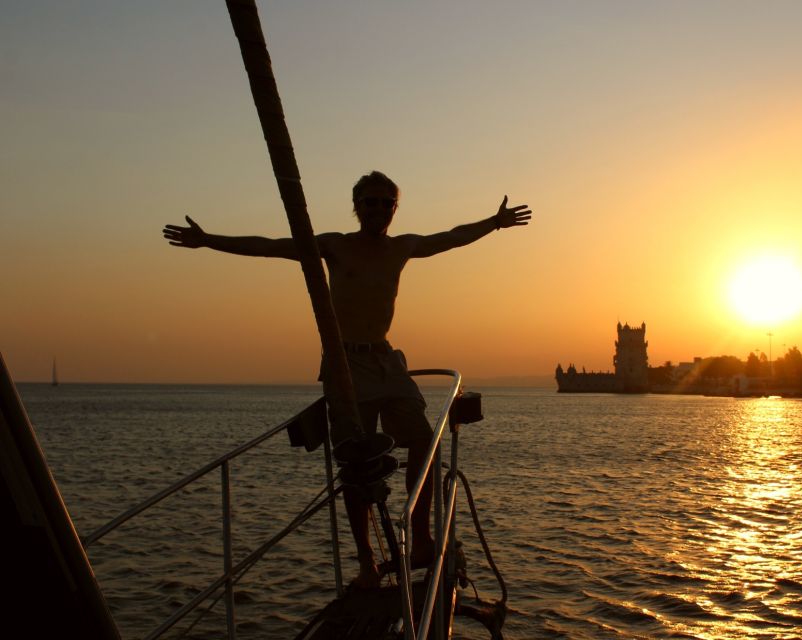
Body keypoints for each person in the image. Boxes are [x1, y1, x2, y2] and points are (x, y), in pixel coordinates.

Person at [162, 171, 532, 587]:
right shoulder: (335, 246)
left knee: (426, 445)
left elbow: (451, 236)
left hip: (386, 360)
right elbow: (269, 247)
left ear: (395, 207)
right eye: (369, 202)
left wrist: (494, 223)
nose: (377, 209)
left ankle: (423, 537)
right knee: (358, 463)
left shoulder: (401, 247)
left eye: (385, 202)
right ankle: (366, 561)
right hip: (345, 366)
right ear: (356, 205)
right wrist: (209, 240)